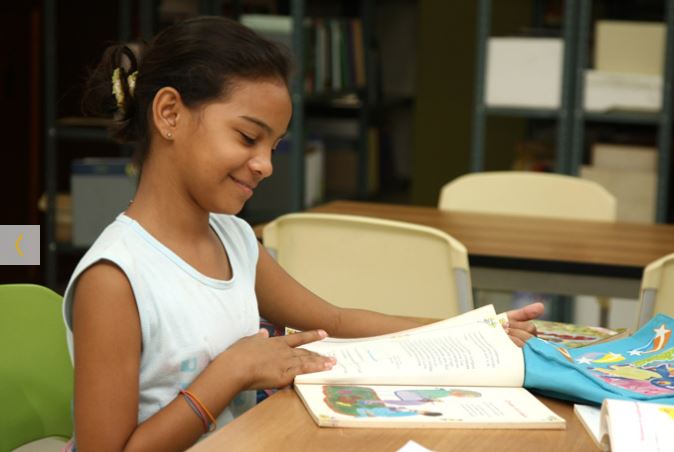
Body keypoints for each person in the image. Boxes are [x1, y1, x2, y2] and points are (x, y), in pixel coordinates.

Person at [62, 16, 544, 451]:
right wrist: (231, 373)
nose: (266, 165)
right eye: (248, 138)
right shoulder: (116, 278)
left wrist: (470, 333)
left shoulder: (235, 241)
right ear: (169, 114)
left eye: (274, 145)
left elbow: (334, 318)